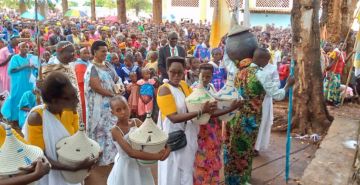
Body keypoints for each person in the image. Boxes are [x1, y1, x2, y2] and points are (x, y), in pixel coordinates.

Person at [224, 48, 295, 185]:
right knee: (245, 150)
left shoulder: (240, 71)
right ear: (261, 59)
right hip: (250, 119)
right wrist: (287, 85)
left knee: (233, 149)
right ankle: (242, 180)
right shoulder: (261, 74)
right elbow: (278, 95)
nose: (267, 64)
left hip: (236, 115)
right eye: (266, 61)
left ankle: (232, 179)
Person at [24, 72, 99, 185]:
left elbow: (77, 141)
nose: (77, 102)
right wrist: (71, 167)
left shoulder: (71, 111)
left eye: (76, 96)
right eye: (71, 98)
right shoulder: (37, 118)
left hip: (72, 173)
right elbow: (39, 157)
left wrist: (92, 152)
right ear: (55, 101)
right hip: (49, 175)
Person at [157, 56, 217, 185]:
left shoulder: (184, 85)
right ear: (167, 70)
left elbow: (195, 103)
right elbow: (173, 118)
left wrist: (210, 105)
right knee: (172, 170)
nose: (177, 75)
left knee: (186, 170)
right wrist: (201, 111)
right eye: (173, 71)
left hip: (187, 133)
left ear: (185, 71)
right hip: (174, 136)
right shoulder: (164, 89)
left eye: (180, 72)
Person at [192, 63, 242, 185]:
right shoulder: (194, 90)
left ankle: (213, 182)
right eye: (202, 76)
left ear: (212, 76)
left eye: (208, 76)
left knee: (213, 155)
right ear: (198, 74)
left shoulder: (212, 87)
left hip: (214, 129)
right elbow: (207, 113)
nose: (204, 79)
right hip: (202, 131)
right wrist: (230, 109)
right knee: (203, 159)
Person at [107, 96, 171, 185]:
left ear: (129, 106)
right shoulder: (116, 130)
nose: (123, 112)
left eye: (125, 107)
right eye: (118, 110)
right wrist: (157, 156)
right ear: (112, 112)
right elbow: (131, 153)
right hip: (127, 167)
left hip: (142, 163)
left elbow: (155, 133)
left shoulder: (136, 122)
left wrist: (167, 145)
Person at [84, 40, 123, 185]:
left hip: (110, 106)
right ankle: (99, 159)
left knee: (111, 130)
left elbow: (116, 78)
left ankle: (111, 157)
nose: (105, 54)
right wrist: (112, 94)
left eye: (106, 51)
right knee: (99, 131)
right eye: (102, 51)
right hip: (98, 108)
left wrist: (119, 87)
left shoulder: (108, 65)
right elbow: (95, 86)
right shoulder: (92, 68)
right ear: (94, 52)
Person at [1, 42, 35, 126]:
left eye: (27, 47)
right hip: (18, 83)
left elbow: (36, 67)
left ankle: (26, 118)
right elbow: (12, 70)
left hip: (28, 83)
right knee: (16, 98)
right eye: (23, 47)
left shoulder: (30, 57)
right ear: (19, 48)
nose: (25, 48)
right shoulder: (15, 58)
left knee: (27, 98)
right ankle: (14, 119)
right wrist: (25, 66)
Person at [74, 47, 91, 124]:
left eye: (88, 53)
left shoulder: (88, 63)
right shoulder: (80, 65)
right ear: (79, 55)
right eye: (85, 53)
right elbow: (82, 81)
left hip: (88, 90)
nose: (87, 55)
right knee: (84, 110)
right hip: (83, 91)